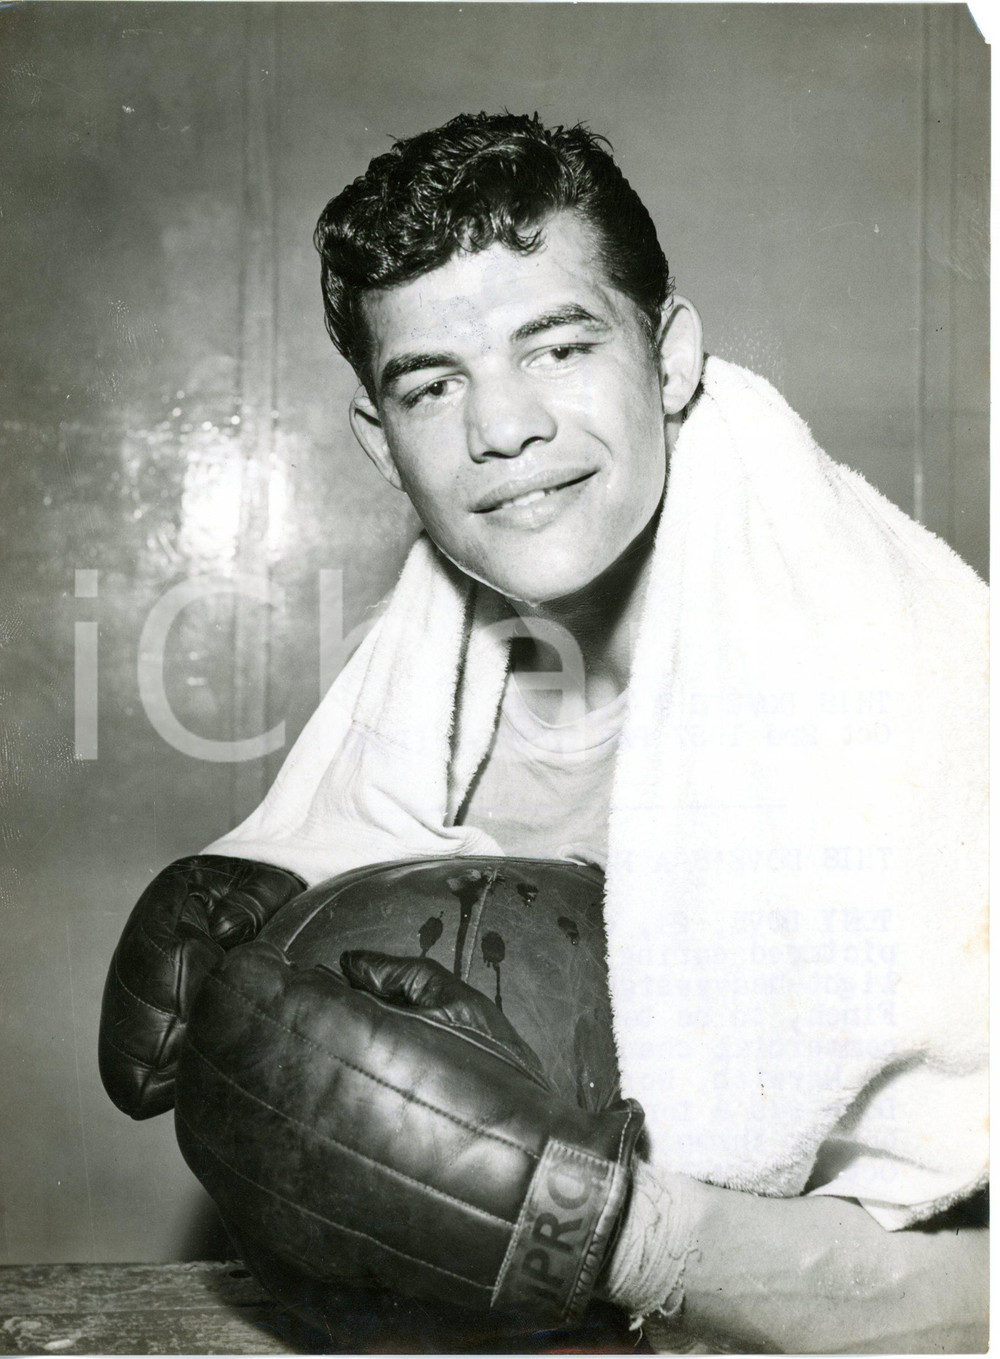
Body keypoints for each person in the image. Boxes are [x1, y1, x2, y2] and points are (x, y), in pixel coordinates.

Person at [101, 113, 987, 1352]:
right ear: (379, 439)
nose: (501, 428)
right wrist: (276, 879)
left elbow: (966, 1296)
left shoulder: (901, 666)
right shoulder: (434, 652)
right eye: (432, 383)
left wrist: (626, 1236)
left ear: (669, 357)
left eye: (556, 346)